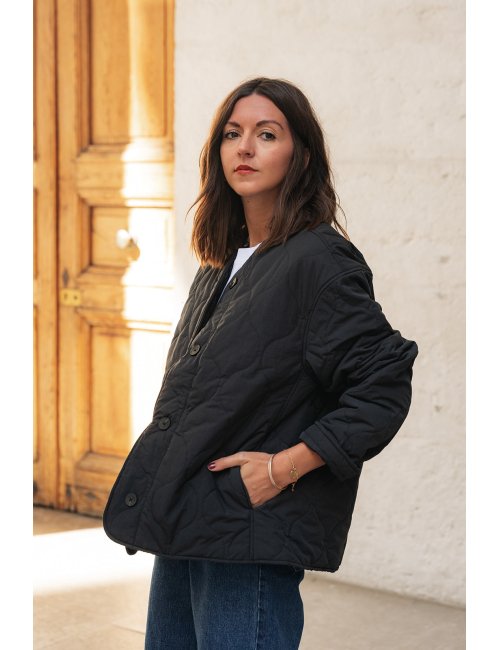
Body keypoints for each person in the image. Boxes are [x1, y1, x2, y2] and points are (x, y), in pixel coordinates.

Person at [103, 77, 418, 649]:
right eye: (232, 134)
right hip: (186, 520)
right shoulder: (221, 264)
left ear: (301, 156)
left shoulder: (319, 262)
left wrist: (282, 469)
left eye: (267, 134)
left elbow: (384, 385)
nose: (245, 148)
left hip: (247, 535)